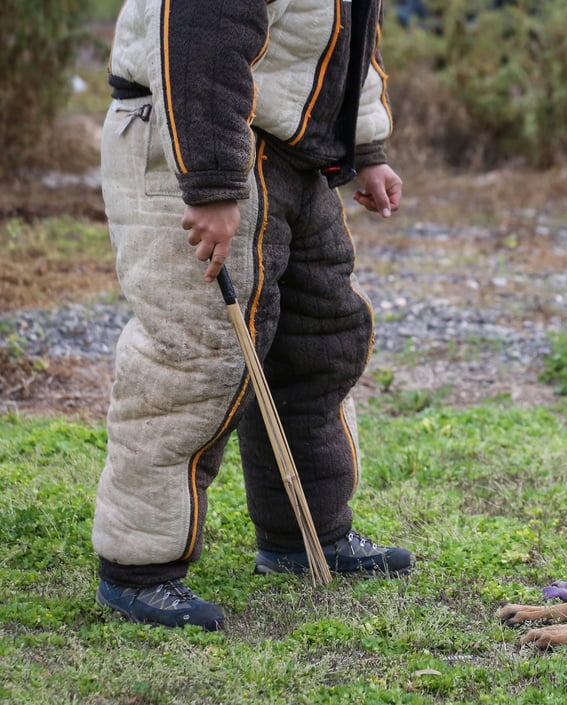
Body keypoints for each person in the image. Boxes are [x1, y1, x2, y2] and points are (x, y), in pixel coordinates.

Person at [93, 0, 411, 631]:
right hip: (193, 141)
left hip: (291, 154)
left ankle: (305, 539)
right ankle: (139, 570)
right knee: (195, 360)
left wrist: (367, 146)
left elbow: (350, 35)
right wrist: (211, 185)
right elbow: (201, 40)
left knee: (319, 344)